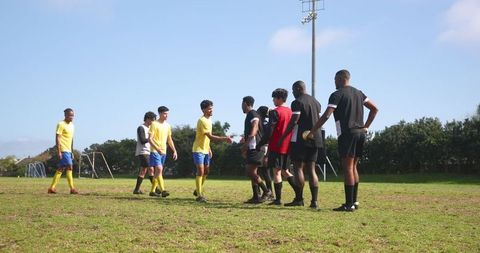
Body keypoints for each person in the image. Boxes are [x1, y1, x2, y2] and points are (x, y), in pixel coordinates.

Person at [309, 69, 378, 211]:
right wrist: (366, 127)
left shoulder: (337, 94)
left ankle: (348, 204)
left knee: (347, 168)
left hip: (348, 134)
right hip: (360, 133)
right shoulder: (359, 93)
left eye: (335, 79)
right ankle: (354, 201)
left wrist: (313, 130)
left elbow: (327, 115)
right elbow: (374, 109)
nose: (334, 82)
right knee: (354, 167)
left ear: (341, 79)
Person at [279, 81, 323, 209]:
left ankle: (299, 198)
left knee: (298, 167)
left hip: (301, 138)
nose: (292, 93)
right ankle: (314, 201)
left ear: (299, 88)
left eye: (293, 90)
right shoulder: (316, 102)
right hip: (315, 137)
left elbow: (294, 121)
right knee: (312, 168)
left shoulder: (297, 102)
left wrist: (284, 136)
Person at [260, 88, 298, 205]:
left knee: (276, 172)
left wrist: (261, 143)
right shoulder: (291, 111)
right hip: (287, 146)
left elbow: (270, 130)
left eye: (274, 98)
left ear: (280, 98)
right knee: (285, 171)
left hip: (276, 145)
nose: (273, 100)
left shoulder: (275, 112)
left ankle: (278, 199)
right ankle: (299, 194)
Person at [192, 100, 233, 202]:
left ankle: (198, 189)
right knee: (200, 171)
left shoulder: (209, 120)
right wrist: (225, 138)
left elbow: (207, 138)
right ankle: (199, 195)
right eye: (209, 108)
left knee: (206, 171)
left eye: (212, 108)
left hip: (206, 150)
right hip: (198, 150)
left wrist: (209, 148)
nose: (211, 110)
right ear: (203, 109)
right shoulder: (202, 121)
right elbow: (210, 136)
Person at [241, 96, 272, 204]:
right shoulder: (250, 115)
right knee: (252, 172)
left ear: (245, 103)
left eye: (242, 103)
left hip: (256, 147)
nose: (241, 106)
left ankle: (266, 191)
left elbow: (255, 128)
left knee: (249, 171)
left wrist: (246, 143)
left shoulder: (253, 114)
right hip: (252, 147)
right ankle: (256, 196)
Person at [148, 106, 178, 197]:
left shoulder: (168, 126)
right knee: (159, 169)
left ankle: (152, 191)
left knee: (159, 171)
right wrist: (157, 149)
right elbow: (150, 139)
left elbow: (169, 140)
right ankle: (163, 190)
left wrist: (174, 150)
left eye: (167, 114)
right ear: (160, 114)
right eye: (165, 114)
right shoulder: (154, 124)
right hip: (155, 151)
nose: (166, 116)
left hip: (163, 152)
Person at [48, 108, 78, 194]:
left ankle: (51, 188)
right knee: (69, 166)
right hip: (63, 149)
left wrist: (72, 151)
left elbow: (71, 139)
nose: (72, 117)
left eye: (73, 115)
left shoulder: (72, 125)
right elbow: (57, 137)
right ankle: (72, 189)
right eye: (70, 115)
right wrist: (59, 151)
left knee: (61, 169)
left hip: (69, 151)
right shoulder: (61, 124)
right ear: (65, 115)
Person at [133, 111, 158, 194]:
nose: (153, 122)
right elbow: (142, 140)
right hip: (143, 152)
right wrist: (151, 138)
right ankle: (155, 189)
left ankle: (136, 190)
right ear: (147, 119)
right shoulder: (141, 128)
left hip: (149, 152)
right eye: (152, 120)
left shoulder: (151, 129)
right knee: (151, 169)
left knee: (143, 170)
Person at [256, 105, 273, 199]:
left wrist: (267, 154)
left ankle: (266, 192)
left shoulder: (262, 123)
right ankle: (269, 192)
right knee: (264, 171)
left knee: (262, 171)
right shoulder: (266, 123)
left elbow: (269, 138)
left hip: (264, 147)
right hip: (265, 147)